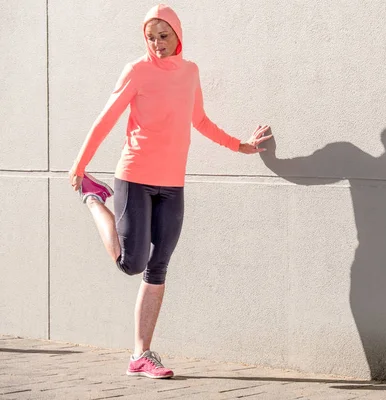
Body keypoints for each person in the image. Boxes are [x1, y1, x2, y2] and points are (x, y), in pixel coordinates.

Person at [68, 4, 272, 379]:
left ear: (177, 35)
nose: (157, 44)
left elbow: (199, 120)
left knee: (158, 267)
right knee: (132, 263)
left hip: (172, 183)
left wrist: (238, 146)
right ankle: (93, 197)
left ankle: (140, 355)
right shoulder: (136, 70)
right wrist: (80, 164)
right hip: (134, 177)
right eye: (150, 37)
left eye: (163, 36)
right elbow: (107, 117)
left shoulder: (189, 71)